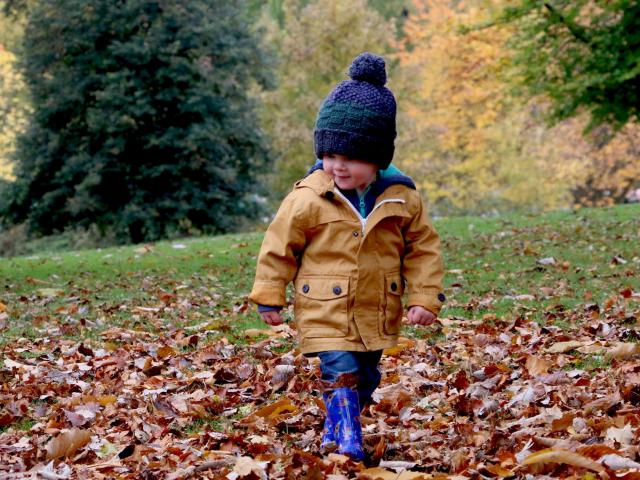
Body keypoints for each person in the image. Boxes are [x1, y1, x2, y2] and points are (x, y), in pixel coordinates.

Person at [249, 52, 445, 461]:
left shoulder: (402, 198)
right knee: (341, 371)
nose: (337, 166)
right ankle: (349, 440)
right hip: (324, 305)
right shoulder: (309, 197)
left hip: (376, 309)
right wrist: (270, 292)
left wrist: (424, 298)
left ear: (377, 157)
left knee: (368, 376)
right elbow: (279, 244)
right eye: (330, 155)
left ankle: (335, 427)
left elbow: (422, 249)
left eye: (350, 158)